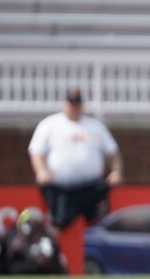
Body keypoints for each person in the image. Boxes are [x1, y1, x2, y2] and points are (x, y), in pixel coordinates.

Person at [28, 87, 122, 232]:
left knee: (98, 223)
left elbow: (112, 151)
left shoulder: (95, 126)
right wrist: (41, 171)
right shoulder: (50, 124)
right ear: (64, 104)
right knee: (59, 222)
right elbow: (36, 151)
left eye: (77, 103)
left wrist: (116, 171)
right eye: (71, 103)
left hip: (91, 187)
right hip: (61, 188)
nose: (74, 107)